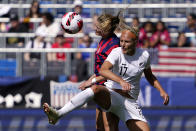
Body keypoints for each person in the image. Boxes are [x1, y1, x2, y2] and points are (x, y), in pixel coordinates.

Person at [43, 26, 169, 131]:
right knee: (96, 89)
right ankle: (58, 114)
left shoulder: (144, 55)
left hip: (130, 103)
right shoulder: (116, 52)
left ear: (136, 42)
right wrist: (119, 81)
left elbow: (150, 76)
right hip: (111, 96)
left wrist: (161, 90)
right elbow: (103, 70)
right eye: (121, 41)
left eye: (127, 42)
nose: (123, 45)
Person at [43, 12, 121, 131]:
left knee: (110, 126)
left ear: (106, 29)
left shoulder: (114, 45)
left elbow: (112, 73)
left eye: (98, 27)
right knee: (99, 127)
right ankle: (58, 114)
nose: (95, 28)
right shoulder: (103, 40)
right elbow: (101, 69)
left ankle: (59, 114)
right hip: (102, 85)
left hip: (112, 88)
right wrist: (90, 79)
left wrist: (92, 82)